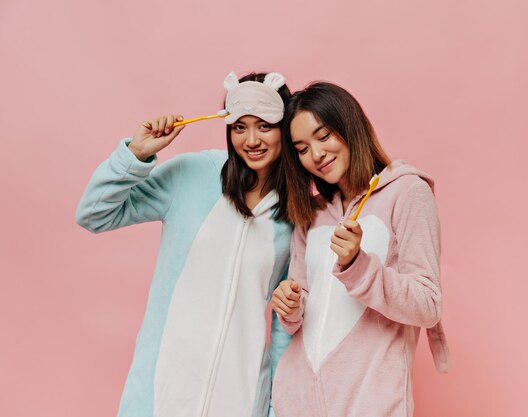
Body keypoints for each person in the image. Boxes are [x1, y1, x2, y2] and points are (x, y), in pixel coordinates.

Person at [76, 71, 293, 417]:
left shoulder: (296, 213)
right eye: (239, 127)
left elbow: (285, 324)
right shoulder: (192, 173)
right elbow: (93, 213)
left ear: (285, 127)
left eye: (264, 125)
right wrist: (135, 155)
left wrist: (275, 407)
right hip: (162, 394)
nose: (251, 139)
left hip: (241, 399)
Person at [270, 82, 450, 417]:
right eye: (302, 149)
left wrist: (359, 265)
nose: (316, 154)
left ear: (350, 126)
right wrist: (290, 305)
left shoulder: (407, 192)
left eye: (323, 136)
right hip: (297, 404)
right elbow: (301, 311)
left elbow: (428, 305)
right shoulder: (312, 212)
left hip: (370, 404)